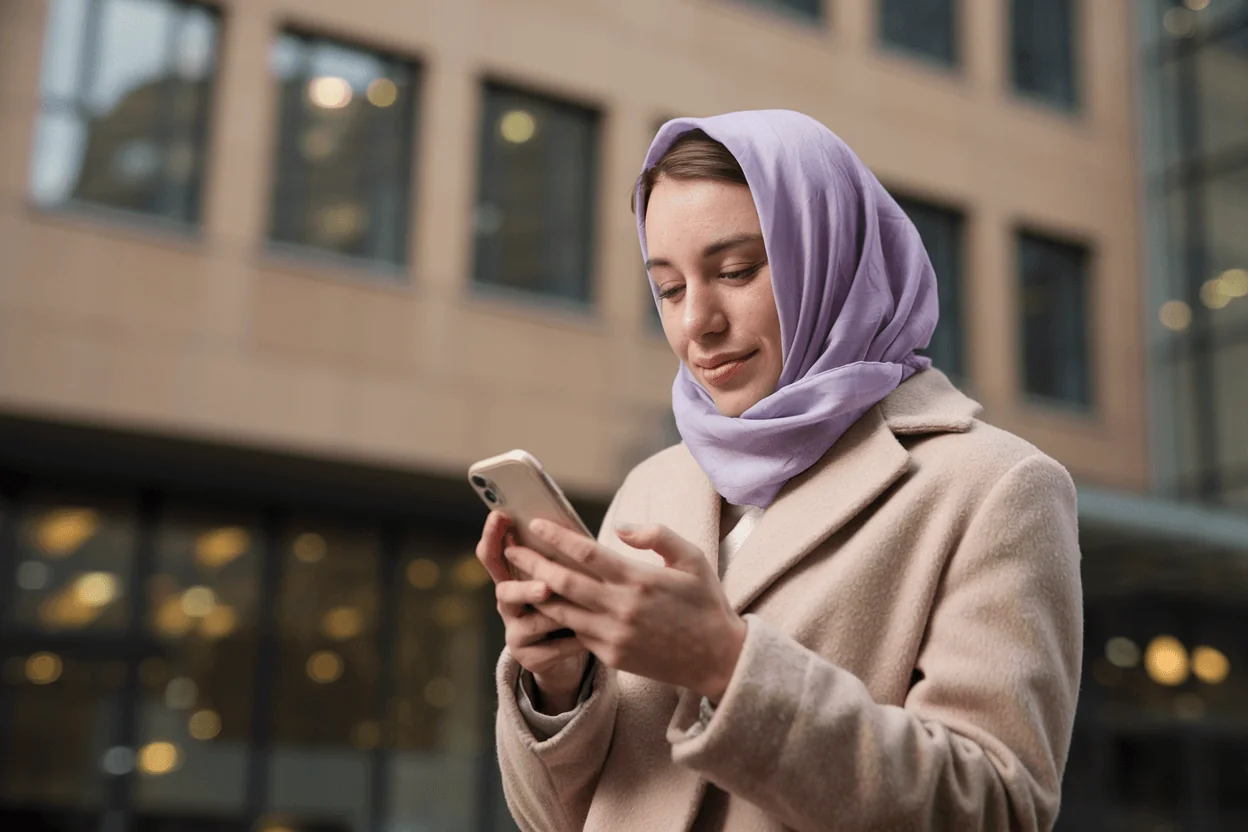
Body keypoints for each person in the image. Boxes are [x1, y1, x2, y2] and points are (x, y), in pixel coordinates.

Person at [475, 110, 1083, 832]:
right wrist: (558, 685)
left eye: (735, 271)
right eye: (668, 288)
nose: (696, 321)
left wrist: (726, 663)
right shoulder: (656, 486)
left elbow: (997, 811)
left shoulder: (995, 487)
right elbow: (554, 821)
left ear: (829, 258)